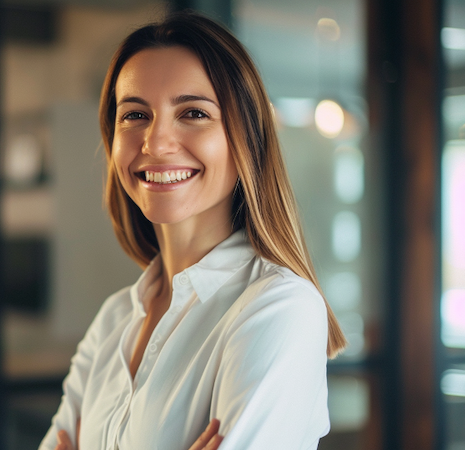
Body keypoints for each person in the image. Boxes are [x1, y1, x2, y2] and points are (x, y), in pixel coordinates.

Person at [39, 11, 347, 450]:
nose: (156, 142)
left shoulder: (281, 308)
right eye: (135, 115)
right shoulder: (113, 319)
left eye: (194, 112)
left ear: (246, 138)